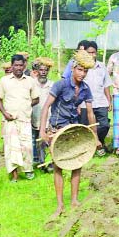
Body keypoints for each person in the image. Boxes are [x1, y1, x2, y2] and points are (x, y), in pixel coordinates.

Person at [40, 50, 100, 217]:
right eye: (80, 70)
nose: (82, 74)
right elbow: (46, 107)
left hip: (74, 130)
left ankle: (74, 200)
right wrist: (43, 131)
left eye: (85, 71)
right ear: (73, 68)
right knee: (58, 165)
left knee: (77, 163)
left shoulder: (86, 89)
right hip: (57, 129)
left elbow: (90, 113)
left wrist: (94, 135)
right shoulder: (61, 84)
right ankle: (60, 205)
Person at [0, 54, 40, 181]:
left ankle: (28, 170)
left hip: (25, 120)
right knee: (11, 148)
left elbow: (36, 99)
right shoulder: (4, 81)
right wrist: (3, 113)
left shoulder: (30, 81)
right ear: (12, 65)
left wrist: (27, 105)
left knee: (27, 147)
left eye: (21, 65)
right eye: (16, 65)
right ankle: (14, 175)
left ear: (24, 65)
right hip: (10, 120)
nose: (18, 68)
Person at [79, 41, 112, 156]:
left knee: (104, 125)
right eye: (89, 53)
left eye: (93, 53)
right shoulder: (81, 67)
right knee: (86, 127)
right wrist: (77, 103)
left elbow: (106, 84)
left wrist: (109, 100)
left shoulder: (102, 66)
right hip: (84, 103)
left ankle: (99, 141)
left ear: (96, 53)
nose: (91, 55)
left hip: (101, 101)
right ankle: (90, 147)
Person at [31, 57, 54, 167]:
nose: (43, 72)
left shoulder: (52, 85)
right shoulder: (32, 84)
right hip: (34, 116)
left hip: (49, 117)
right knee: (37, 141)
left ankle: (50, 162)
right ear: (37, 71)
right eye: (41, 70)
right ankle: (41, 162)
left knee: (48, 140)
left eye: (46, 70)